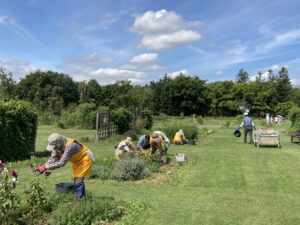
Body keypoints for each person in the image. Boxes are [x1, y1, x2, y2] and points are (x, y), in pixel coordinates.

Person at [36, 133, 95, 199]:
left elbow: (61, 163)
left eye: (55, 147)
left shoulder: (70, 146)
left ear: (59, 144)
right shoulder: (57, 147)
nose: (54, 149)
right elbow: (53, 159)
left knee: (78, 180)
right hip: (77, 162)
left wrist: (46, 167)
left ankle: (79, 201)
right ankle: (79, 197)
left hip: (85, 159)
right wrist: (44, 166)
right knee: (77, 180)